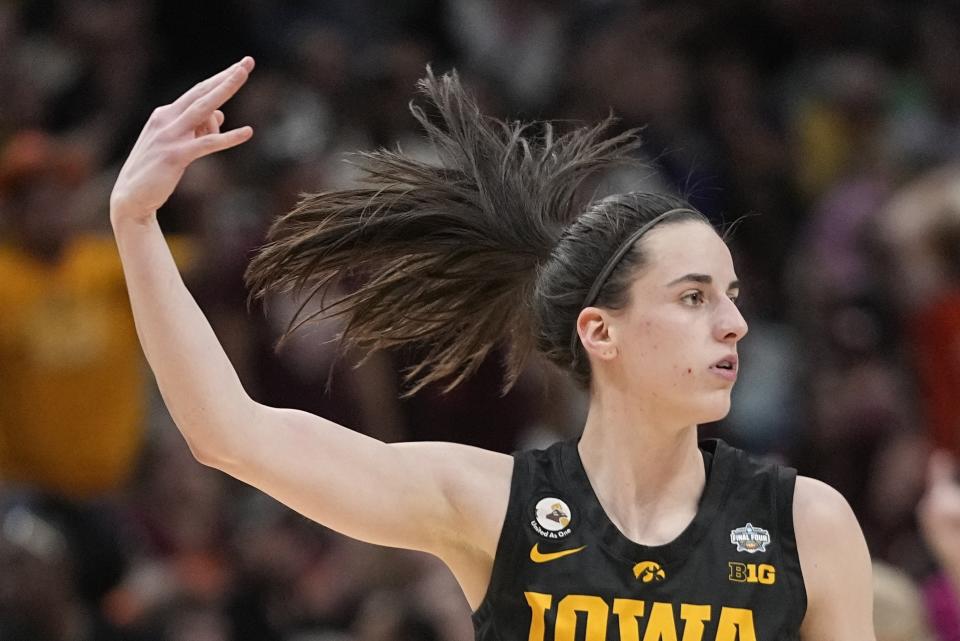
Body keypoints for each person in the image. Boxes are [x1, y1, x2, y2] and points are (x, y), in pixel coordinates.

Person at [109, 57, 876, 640]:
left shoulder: (806, 523)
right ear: (599, 331)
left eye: (733, 296)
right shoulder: (494, 504)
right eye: (692, 297)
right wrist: (137, 228)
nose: (734, 323)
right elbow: (229, 435)